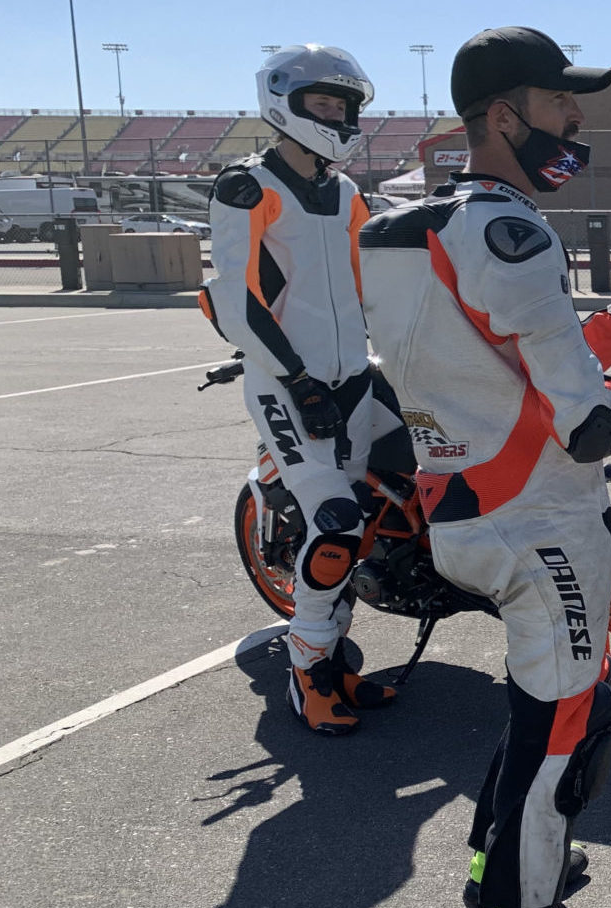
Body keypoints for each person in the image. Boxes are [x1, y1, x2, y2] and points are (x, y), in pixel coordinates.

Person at [356, 26, 611, 908]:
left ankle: (493, 872)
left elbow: (492, 366)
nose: (576, 120)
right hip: (538, 519)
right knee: (571, 724)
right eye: (562, 104)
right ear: (505, 115)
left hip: (463, 505)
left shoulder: (411, 226)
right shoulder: (512, 231)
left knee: (535, 714)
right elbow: (588, 426)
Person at [201, 45, 409, 736]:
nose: (336, 116)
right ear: (283, 102)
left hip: (355, 375)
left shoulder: (345, 192)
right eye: (323, 104)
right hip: (287, 383)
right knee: (337, 524)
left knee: (411, 479)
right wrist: (296, 378)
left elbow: (370, 277)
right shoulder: (245, 186)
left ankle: (339, 663)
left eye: (343, 107)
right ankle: (308, 671)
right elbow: (235, 301)